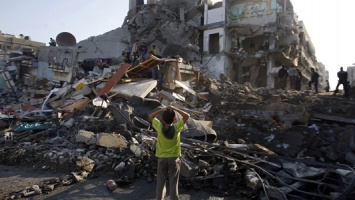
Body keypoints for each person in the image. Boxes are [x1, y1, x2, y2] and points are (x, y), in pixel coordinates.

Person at [149, 105, 190, 200]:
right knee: (173, 183)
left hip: (162, 159)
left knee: (160, 183)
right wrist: (175, 108)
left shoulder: (159, 127)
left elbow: (151, 116)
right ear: (175, 119)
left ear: (162, 119)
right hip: (174, 159)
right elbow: (187, 116)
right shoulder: (177, 127)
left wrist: (161, 110)